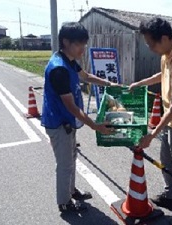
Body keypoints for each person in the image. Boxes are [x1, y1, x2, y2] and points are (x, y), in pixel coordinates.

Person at [129, 17, 172, 225]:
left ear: (165, 38)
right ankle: (170, 196)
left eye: (152, 43)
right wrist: (142, 83)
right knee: (166, 162)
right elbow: (164, 74)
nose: (150, 47)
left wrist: (152, 134)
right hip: (170, 121)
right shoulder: (168, 54)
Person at [41, 22, 115, 213]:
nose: (83, 48)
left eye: (84, 43)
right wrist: (96, 126)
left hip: (67, 121)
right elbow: (71, 107)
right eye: (79, 44)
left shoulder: (69, 60)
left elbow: (86, 76)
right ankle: (64, 202)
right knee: (65, 164)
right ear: (66, 42)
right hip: (59, 122)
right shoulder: (59, 69)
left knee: (71, 158)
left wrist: (108, 83)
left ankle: (71, 190)